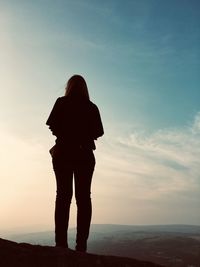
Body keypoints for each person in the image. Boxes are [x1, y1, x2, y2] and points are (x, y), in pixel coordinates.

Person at [46, 75, 104, 252]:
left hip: (63, 152)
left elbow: (52, 126)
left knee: (63, 196)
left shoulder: (61, 103)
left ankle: (61, 244)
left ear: (68, 87)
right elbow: (98, 132)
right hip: (84, 154)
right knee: (84, 198)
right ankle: (81, 246)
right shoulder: (92, 107)